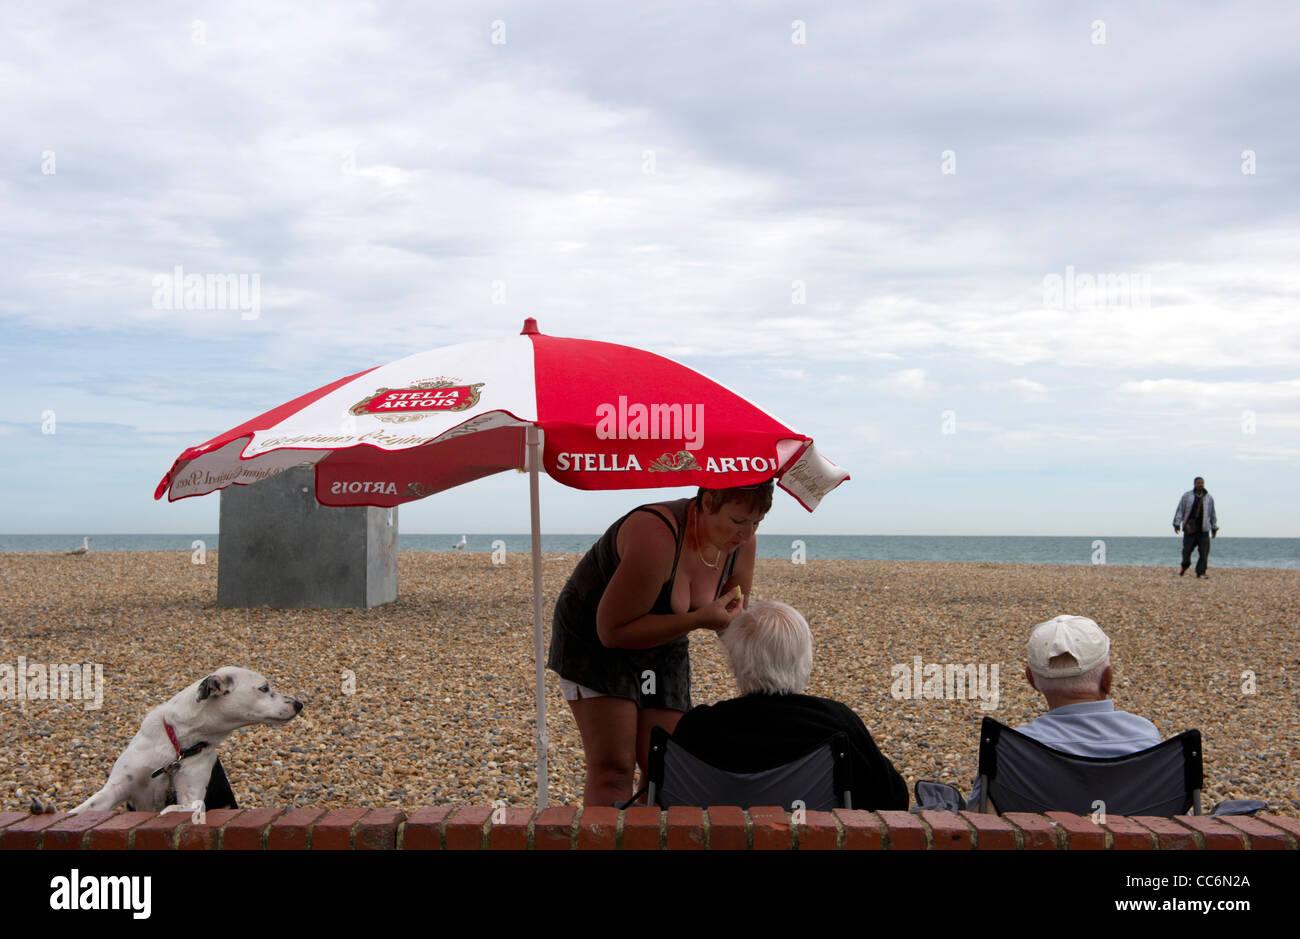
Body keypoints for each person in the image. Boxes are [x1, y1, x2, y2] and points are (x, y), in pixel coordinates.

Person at [547, 482, 770, 807]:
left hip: (665, 640)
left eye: (757, 522)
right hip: (595, 640)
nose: (746, 532)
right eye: (738, 521)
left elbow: (731, 617)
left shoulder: (743, 543)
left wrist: (762, 681)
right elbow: (612, 632)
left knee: (666, 766)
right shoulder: (657, 535)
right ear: (707, 503)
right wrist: (695, 620)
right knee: (614, 769)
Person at [670, 601, 909, 810]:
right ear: (805, 660)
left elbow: (670, 801)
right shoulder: (836, 724)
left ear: (734, 660)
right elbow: (891, 800)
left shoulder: (697, 727)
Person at [967, 614, 1160, 810]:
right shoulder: (1146, 737)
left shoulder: (1013, 748)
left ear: (1032, 681)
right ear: (1107, 679)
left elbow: (980, 820)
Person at [1173, 476, 1219, 578]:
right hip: (1190, 529)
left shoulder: (1209, 498)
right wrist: (1177, 523)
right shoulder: (1187, 496)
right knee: (1187, 551)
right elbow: (1180, 509)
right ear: (1194, 484)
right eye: (1198, 483)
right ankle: (1184, 566)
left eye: (1202, 483)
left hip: (1204, 529)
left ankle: (1201, 572)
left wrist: (1214, 527)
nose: (1200, 485)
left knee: (1204, 552)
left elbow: (1212, 514)